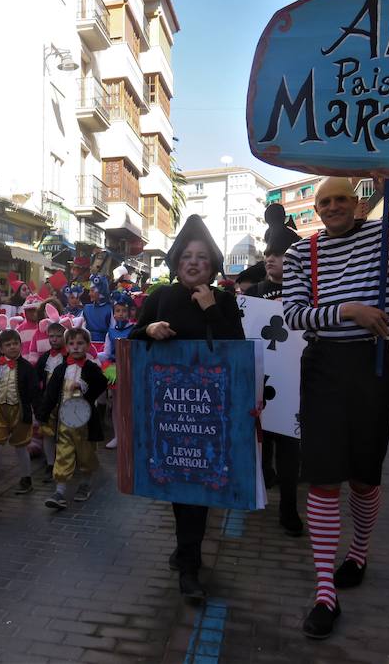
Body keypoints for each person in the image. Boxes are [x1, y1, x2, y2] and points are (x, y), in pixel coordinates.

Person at [282, 177, 389, 639]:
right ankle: (323, 593)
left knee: (364, 476)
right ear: (315, 209)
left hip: (373, 365)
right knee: (323, 476)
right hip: (322, 368)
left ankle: (358, 551)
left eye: (340, 198)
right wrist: (347, 310)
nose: (333, 206)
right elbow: (293, 313)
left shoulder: (385, 236)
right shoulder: (301, 253)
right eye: (324, 201)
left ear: (356, 203)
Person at [130, 215, 245, 599]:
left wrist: (211, 308)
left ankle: (188, 560)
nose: (194, 263)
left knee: (202, 486)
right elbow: (130, 337)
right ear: (177, 264)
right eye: (187, 257)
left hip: (213, 414)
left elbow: (238, 350)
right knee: (183, 487)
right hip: (170, 412)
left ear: (212, 265)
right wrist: (149, 330)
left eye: (202, 258)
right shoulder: (161, 297)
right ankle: (188, 555)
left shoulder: (226, 300)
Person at [245, 212, 303, 537]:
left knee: (290, 446)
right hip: (261, 380)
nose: (271, 259)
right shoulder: (253, 293)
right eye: (268, 254)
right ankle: (262, 487)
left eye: (278, 254)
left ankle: (289, 508)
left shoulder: (305, 293)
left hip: (294, 381)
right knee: (262, 442)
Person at [38, 327, 108, 509]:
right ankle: (60, 491)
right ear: (66, 346)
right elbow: (51, 393)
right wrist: (43, 414)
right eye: (71, 344)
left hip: (85, 422)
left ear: (87, 345)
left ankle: (85, 483)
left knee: (86, 454)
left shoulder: (92, 368)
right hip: (64, 422)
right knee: (63, 453)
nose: (75, 347)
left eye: (80, 343)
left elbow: (101, 384)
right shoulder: (61, 369)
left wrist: (85, 388)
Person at [0, 328, 37, 498]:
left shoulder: (27, 368)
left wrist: (38, 412)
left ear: (20, 345)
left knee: (20, 447)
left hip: (19, 412)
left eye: (15, 343)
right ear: (1, 348)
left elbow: (33, 392)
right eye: (8, 345)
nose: (12, 347)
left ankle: (26, 478)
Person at [35, 316, 69, 482]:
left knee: (64, 433)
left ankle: (64, 462)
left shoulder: (69, 356)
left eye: (58, 336)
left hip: (65, 400)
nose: (54, 339)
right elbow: (38, 378)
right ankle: (50, 463)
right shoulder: (45, 358)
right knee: (48, 433)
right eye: (51, 336)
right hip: (48, 401)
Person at [101, 291, 135, 450]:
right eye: (117, 311)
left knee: (129, 403)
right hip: (114, 370)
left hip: (130, 369)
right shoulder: (110, 333)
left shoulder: (135, 330)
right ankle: (117, 435)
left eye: (123, 311)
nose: (120, 314)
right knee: (116, 404)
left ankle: (129, 434)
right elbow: (106, 353)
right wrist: (91, 354)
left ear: (129, 312)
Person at [82, 274, 112, 351]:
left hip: (105, 347)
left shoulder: (110, 309)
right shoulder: (86, 308)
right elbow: (81, 327)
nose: (89, 294)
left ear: (101, 291)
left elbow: (112, 330)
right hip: (87, 346)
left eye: (92, 291)